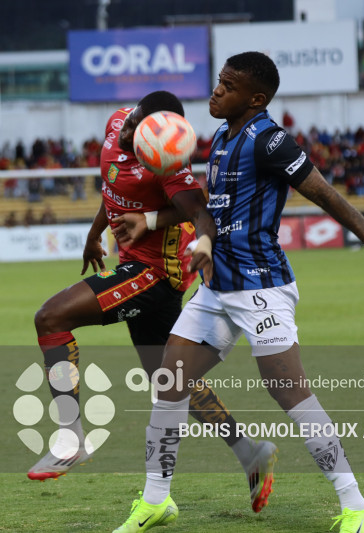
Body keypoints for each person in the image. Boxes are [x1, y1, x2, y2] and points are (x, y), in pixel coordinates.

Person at [113, 52, 364, 533]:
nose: (216, 91)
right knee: (170, 381)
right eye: (218, 81)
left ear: (255, 99)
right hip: (217, 287)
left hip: (262, 286)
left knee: (289, 393)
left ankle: (358, 505)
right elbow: (213, 211)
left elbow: (324, 193)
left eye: (228, 85)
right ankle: (157, 500)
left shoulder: (271, 140)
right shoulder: (219, 139)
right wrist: (158, 222)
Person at [31, 91, 279, 515]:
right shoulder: (116, 124)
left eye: (138, 129)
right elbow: (113, 187)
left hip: (154, 275)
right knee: (169, 381)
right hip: (134, 267)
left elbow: (204, 214)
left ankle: (71, 438)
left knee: (51, 317)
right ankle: (249, 452)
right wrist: (96, 232)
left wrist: (200, 239)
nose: (128, 132)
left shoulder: (166, 164)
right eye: (130, 123)